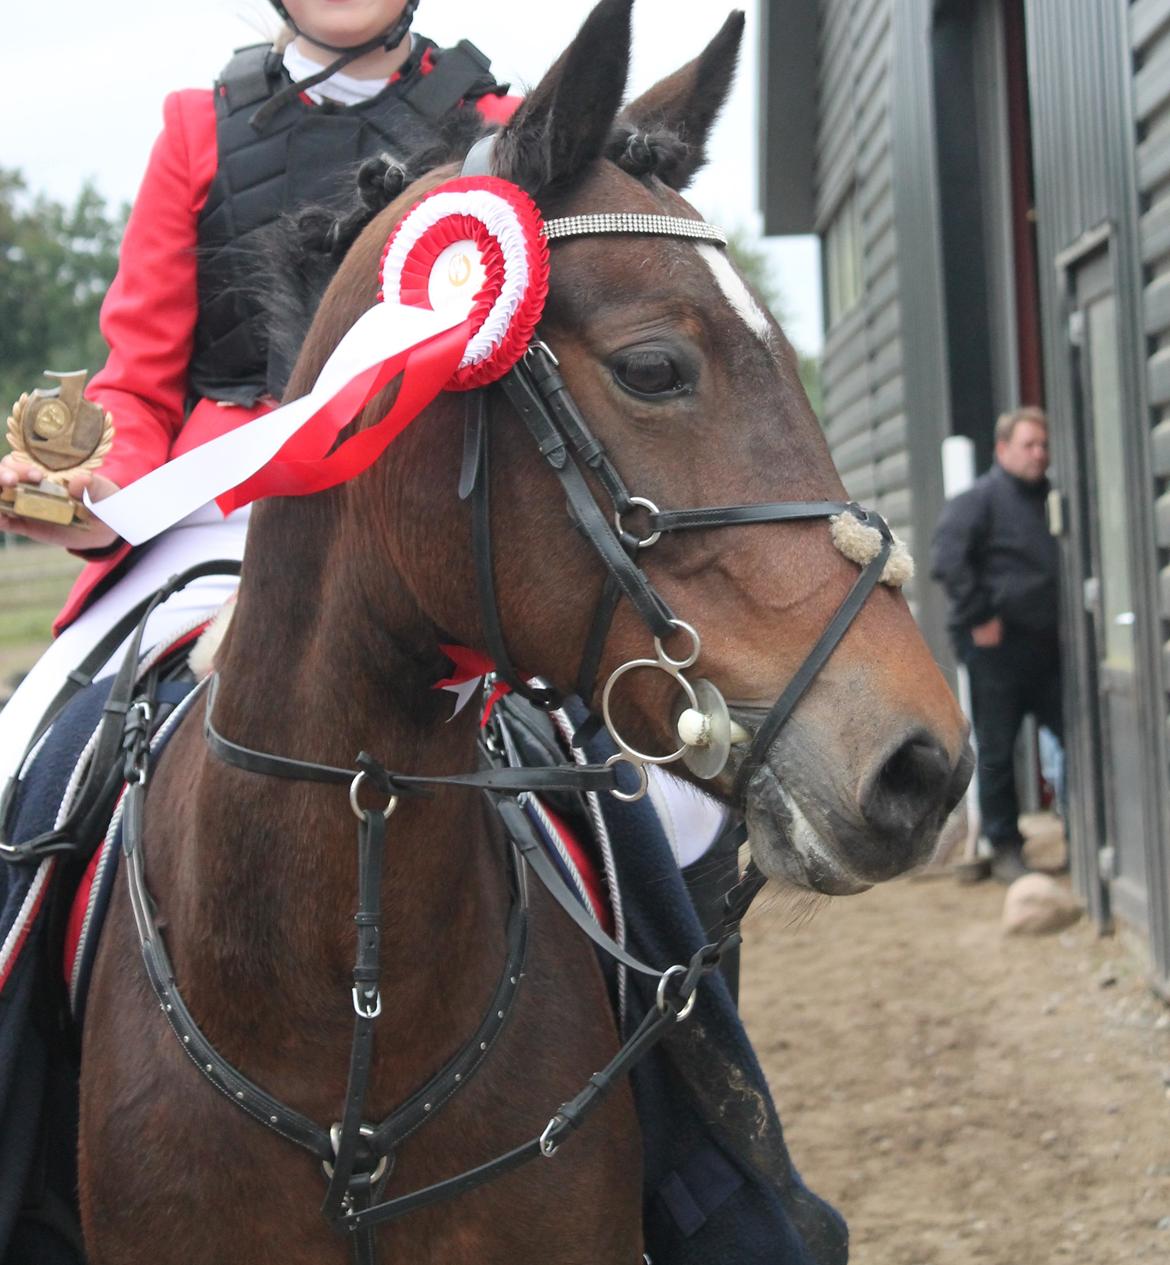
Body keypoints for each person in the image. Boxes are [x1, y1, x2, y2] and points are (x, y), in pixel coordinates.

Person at [0, 0, 512, 789]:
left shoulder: (500, 129)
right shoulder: (194, 131)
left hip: (442, 530)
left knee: (654, 792)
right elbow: (139, 382)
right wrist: (97, 490)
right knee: (19, 754)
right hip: (219, 526)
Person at [930, 405, 1063, 883]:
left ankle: (1080, 827)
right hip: (997, 654)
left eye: (1044, 446)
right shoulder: (978, 501)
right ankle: (1005, 845)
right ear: (1003, 449)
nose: (1038, 454)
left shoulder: (1052, 498)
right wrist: (981, 616)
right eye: (1029, 445)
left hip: (1050, 651)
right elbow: (948, 560)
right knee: (999, 752)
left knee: (1077, 739)